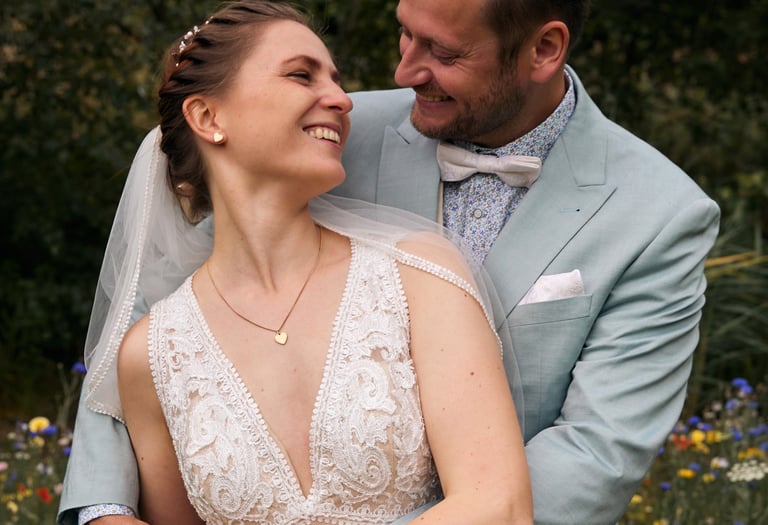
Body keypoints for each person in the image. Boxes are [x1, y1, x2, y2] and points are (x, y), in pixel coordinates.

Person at [59, 0, 720, 523]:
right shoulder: (326, 134)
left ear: (543, 49)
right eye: (404, 33)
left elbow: (594, 453)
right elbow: (150, 322)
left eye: (442, 51)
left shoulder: (659, 216)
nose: (402, 73)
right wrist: (103, 507)